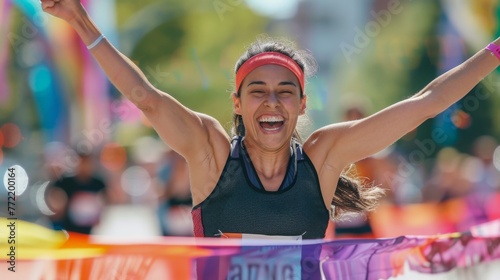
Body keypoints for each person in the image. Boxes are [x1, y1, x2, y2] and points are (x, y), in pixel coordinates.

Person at [41, 0, 500, 239]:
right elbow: (147, 98)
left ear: (302, 105)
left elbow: (426, 102)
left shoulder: (323, 157)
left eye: (286, 92)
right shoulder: (212, 152)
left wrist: (495, 49)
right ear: (237, 103)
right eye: (257, 91)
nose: (272, 102)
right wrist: (81, 21)